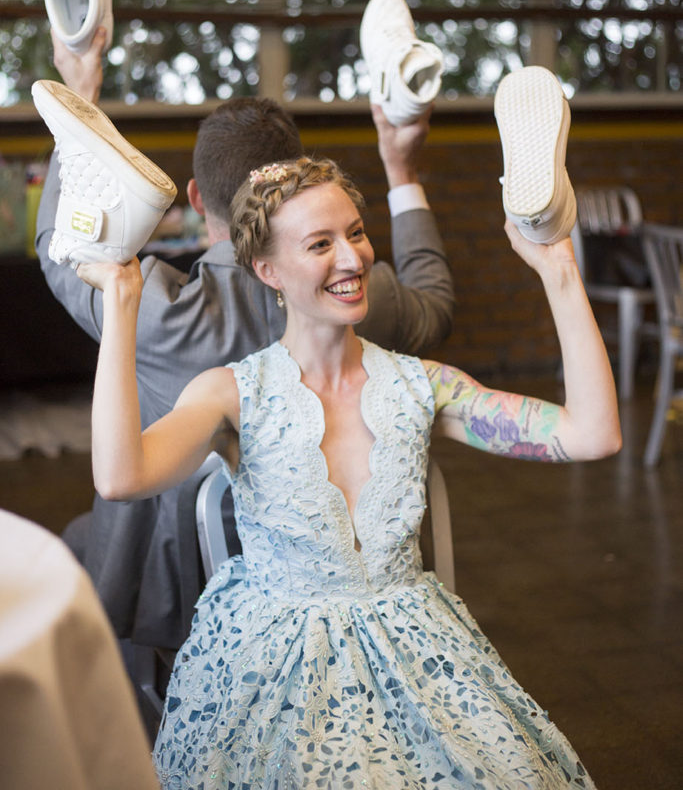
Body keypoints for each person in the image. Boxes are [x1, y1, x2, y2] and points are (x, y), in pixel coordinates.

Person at [76, 136, 620, 787]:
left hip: (418, 654)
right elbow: (120, 476)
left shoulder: (423, 384)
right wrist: (121, 299)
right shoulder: (231, 394)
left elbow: (591, 434)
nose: (352, 258)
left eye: (355, 233)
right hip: (272, 667)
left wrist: (556, 268)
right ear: (266, 270)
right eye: (319, 244)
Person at [35, 27, 455, 652]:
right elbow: (437, 301)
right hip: (349, 588)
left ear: (198, 196)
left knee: (63, 550)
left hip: (167, 602)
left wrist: (80, 87)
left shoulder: (153, 310)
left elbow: (58, 251)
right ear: (296, 187)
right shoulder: (365, 297)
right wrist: (402, 167)